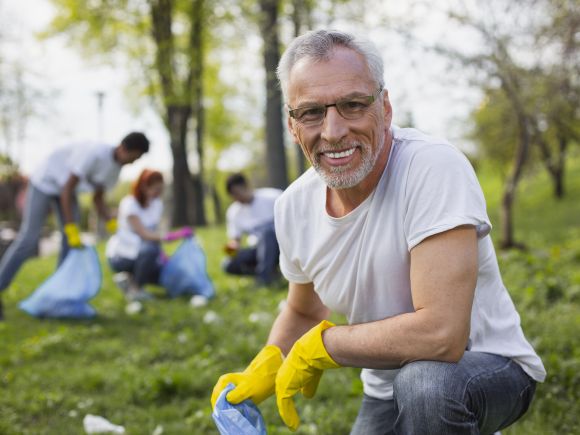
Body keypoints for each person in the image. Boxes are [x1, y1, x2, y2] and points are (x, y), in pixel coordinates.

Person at [212, 30, 546, 434]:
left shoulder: (431, 167)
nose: (333, 131)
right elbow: (304, 308)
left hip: (487, 367)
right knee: (411, 384)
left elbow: (443, 335)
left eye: (352, 105)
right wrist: (267, 363)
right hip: (385, 389)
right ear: (292, 124)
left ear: (384, 108)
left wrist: (326, 346)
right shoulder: (293, 207)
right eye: (312, 112)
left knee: (424, 383)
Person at [0, 132, 150, 320]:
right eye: (133, 157)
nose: (132, 162)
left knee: (69, 245)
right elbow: (67, 188)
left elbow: (98, 198)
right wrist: (71, 228)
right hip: (45, 182)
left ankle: (57, 296)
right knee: (29, 239)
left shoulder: (115, 170)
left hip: (65, 190)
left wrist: (111, 222)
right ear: (124, 148)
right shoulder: (95, 153)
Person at [106, 169, 168, 301]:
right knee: (151, 249)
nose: (159, 193)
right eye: (156, 189)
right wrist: (169, 236)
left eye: (161, 189)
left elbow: (154, 232)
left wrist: (162, 255)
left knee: (162, 274)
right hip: (122, 255)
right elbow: (144, 234)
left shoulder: (156, 204)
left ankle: (127, 281)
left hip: (142, 254)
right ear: (145, 186)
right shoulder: (130, 204)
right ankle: (136, 290)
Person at [222, 173, 282, 286]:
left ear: (246, 186)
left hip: (281, 247)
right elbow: (235, 240)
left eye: (237, 193)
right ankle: (270, 273)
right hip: (257, 249)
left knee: (267, 232)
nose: (236, 198)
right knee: (227, 264)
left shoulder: (273, 197)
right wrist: (230, 250)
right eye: (233, 195)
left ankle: (264, 278)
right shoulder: (234, 212)